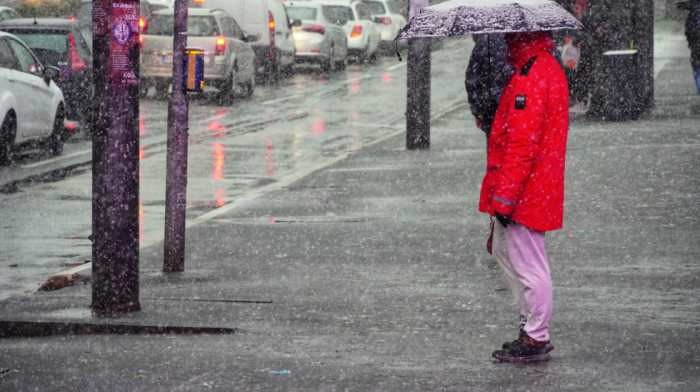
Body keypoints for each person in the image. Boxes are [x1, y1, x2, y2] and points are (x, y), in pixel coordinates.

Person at [479, 30, 569, 363]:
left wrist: (504, 199)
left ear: (521, 33)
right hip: (533, 185)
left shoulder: (531, 74)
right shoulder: (539, 67)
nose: (503, 36)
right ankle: (531, 328)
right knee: (509, 253)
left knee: (528, 263)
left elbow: (521, 144)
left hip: (525, 189)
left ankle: (535, 336)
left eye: (508, 32)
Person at [464, 34, 514, 137]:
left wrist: (479, 113)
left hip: (493, 113)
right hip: (523, 111)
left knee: (496, 149)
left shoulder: (487, 40)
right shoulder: (533, 41)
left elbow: (472, 80)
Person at [679, 0, 700, 94]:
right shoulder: (693, 17)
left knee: (697, 71)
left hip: (696, 48)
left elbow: (688, 32)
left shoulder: (692, 16)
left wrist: (691, 44)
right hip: (696, 47)